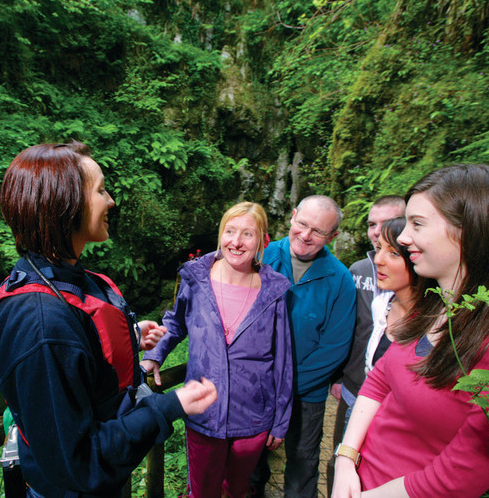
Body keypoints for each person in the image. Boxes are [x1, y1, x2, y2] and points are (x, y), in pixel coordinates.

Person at [0, 141, 218, 498]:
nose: (111, 201)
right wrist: (171, 405)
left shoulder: (64, 279)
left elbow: (77, 355)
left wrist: (130, 339)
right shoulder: (39, 323)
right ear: (65, 204)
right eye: (101, 190)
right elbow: (80, 463)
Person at [331, 164, 489, 498]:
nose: (402, 237)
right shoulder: (435, 306)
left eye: (417, 224)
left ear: (469, 233)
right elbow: (383, 375)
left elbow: (459, 474)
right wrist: (345, 458)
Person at [141, 202, 293, 498]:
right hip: (203, 409)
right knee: (201, 491)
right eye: (230, 231)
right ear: (220, 234)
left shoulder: (274, 291)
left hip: (253, 415)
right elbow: (175, 322)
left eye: (247, 234)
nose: (236, 242)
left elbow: (284, 361)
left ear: (262, 241)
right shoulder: (197, 279)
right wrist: (154, 355)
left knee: (236, 490)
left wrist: (281, 420)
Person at [260, 195, 357, 498]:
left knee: (302, 465)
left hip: (307, 394)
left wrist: (286, 384)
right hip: (257, 386)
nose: (305, 235)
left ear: (333, 236)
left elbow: (335, 347)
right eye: (302, 224)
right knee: (250, 461)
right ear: (292, 217)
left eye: (318, 231)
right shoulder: (262, 255)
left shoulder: (340, 279)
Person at [326, 197, 405, 493]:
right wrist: (337, 376)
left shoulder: (432, 305)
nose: (376, 232)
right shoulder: (359, 272)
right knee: (340, 456)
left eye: (387, 225)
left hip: (394, 403)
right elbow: (346, 328)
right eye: (372, 224)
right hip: (354, 385)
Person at [363, 217, 417, 375]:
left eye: (394, 253)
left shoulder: (438, 320)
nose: (378, 260)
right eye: (379, 248)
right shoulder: (381, 305)